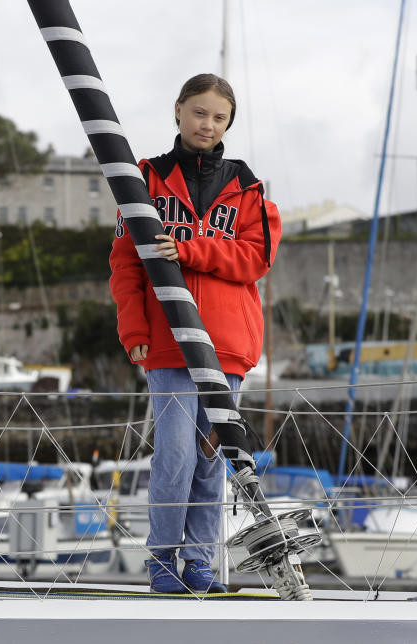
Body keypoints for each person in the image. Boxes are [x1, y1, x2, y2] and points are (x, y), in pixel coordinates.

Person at [108, 73, 282, 593]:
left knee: (213, 460)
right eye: (199, 112)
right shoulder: (143, 183)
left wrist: (189, 249)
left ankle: (200, 562)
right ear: (178, 110)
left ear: (229, 123)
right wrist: (133, 328)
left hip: (227, 345)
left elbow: (255, 259)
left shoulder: (250, 191)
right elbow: (125, 263)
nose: (208, 123)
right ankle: (162, 560)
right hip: (166, 342)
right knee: (176, 455)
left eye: (219, 116)